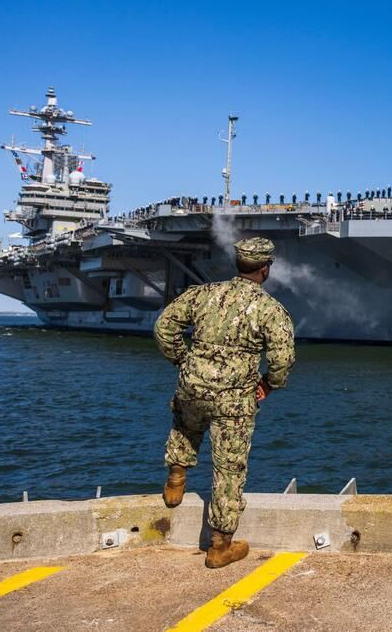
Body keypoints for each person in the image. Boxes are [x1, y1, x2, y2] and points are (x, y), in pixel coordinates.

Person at [154, 237, 296, 568]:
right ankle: (220, 546)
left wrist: (183, 360)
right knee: (229, 468)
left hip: (193, 384)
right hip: (235, 398)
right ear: (265, 268)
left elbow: (163, 327)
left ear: (238, 264)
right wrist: (269, 386)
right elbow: (283, 358)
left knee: (185, 424)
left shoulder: (202, 293)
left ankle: (176, 479)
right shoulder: (270, 309)